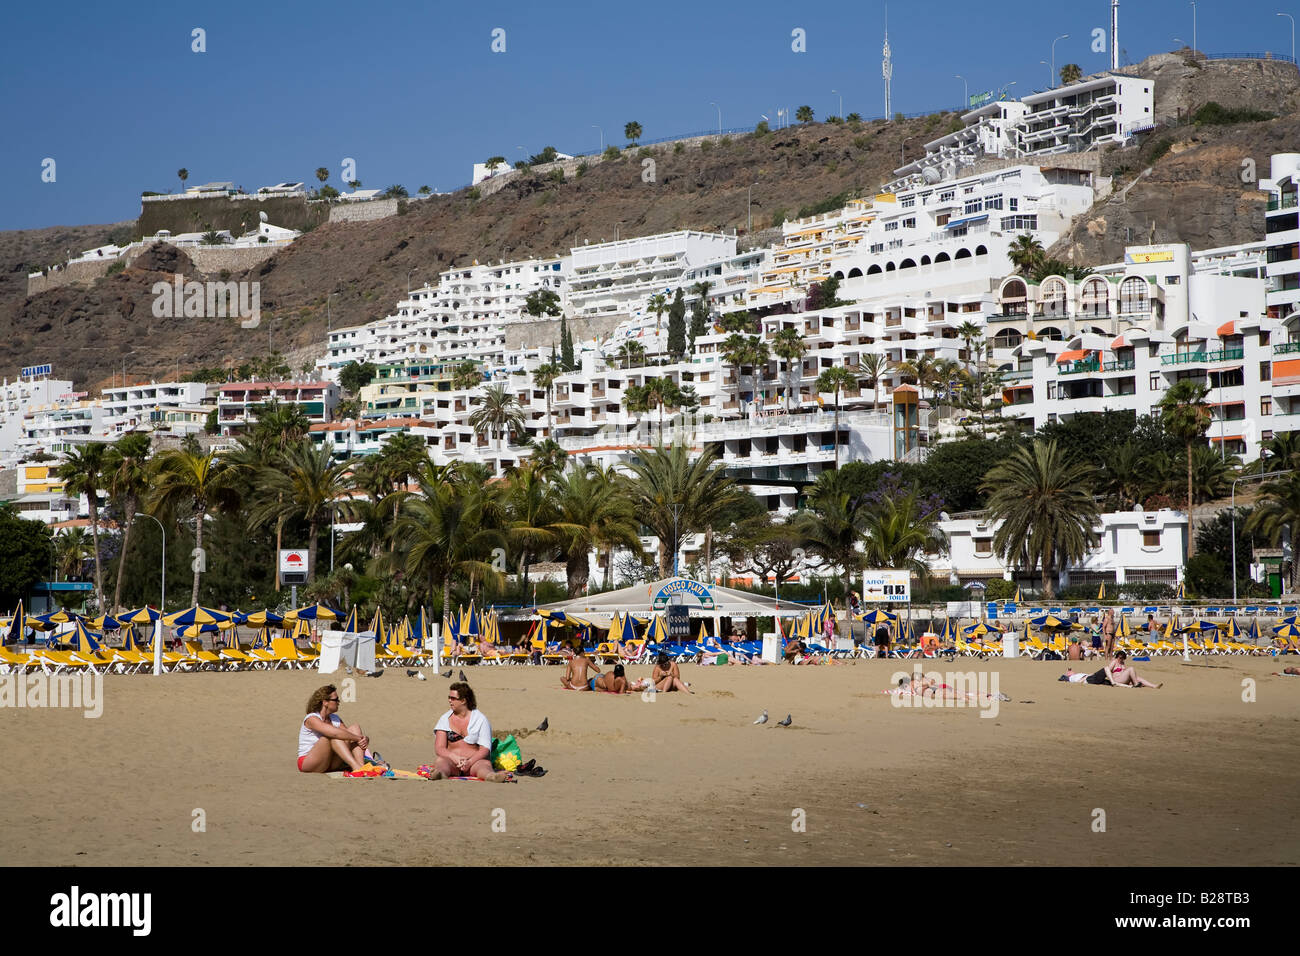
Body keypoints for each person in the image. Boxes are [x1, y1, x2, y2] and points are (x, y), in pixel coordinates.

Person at [429, 682, 511, 781]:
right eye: (449, 697)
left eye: (453, 698)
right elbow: (439, 748)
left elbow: (484, 749)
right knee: (441, 761)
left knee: (484, 765)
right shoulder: (445, 719)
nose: (449, 700)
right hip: (452, 761)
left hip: (475, 762)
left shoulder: (481, 720)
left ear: (463, 700)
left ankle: (491, 776)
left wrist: (469, 762)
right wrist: (454, 757)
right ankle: (440, 774)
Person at [297, 684, 382, 773]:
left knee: (354, 728)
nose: (339, 702)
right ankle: (355, 766)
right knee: (331, 737)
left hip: (329, 762)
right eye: (336, 700)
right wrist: (358, 738)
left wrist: (364, 739)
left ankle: (360, 766)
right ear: (325, 702)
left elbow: (348, 737)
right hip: (309, 762)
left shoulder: (335, 718)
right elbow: (335, 733)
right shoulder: (312, 718)